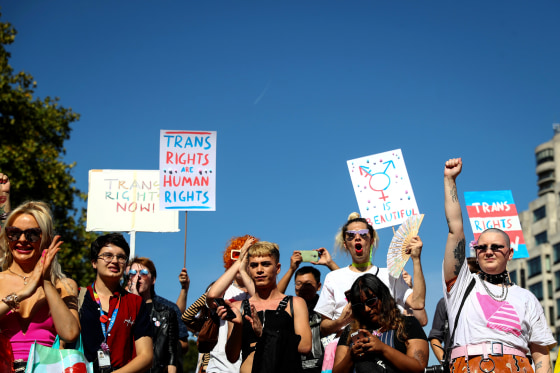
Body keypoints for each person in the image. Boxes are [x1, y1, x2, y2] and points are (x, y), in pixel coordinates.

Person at [443, 158, 556, 373]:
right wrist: (450, 181)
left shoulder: (526, 298)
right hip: (469, 367)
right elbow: (455, 229)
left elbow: (541, 354)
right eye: (482, 247)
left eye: (496, 247)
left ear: (510, 253)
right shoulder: (461, 284)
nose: (488, 251)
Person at [314, 213, 427, 372]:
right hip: (351, 351)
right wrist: (343, 320)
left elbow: (418, 302)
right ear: (346, 244)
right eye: (351, 236)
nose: (357, 238)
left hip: (394, 346)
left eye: (363, 234)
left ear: (371, 240)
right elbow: (323, 328)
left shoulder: (390, 273)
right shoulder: (333, 278)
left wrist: (416, 259)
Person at [0, 201, 80, 372]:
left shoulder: (64, 285)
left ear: (46, 240)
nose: (22, 240)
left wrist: (45, 282)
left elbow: (70, 333)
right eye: (14, 233)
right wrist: (23, 293)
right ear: (7, 238)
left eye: (32, 234)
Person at [221, 240, 312, 373]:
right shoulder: (238, 307)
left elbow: (305, 346)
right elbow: (232, 357)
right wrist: (238, 326)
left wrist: (265, 334)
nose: (259, 270)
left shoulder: (295, 303)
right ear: (248, 269)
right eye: (254, 265)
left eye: (265, 264)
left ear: (278, 268)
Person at [80, 233, 153, 373]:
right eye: (108, 255)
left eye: (121, 257)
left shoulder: (136, 303)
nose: (114, 261)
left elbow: (146, 356)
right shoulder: (78, 297)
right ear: (94, 262)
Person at [332, 274, 428, 373]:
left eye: (371, 301)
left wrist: (382, 348)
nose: (367, 309)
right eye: (360, 306)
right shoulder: (350, 331)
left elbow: (419, 367)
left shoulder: (408, 324)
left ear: (383, 297)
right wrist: (351, 356)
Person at [196, 235, 257, 373]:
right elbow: (212, 296)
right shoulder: (224, 290)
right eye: (237, 256)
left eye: (249, 259)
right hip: (220, 366)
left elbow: (260, 301)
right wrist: (239, 260)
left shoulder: (260, 291)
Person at [277, 249, 339, 373]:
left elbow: (349, 287)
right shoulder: (289, 307)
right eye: (299, 284)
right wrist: (291, 269)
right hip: (295, 366)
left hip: (326, 365)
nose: (303, 287)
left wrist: (330, 263)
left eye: (308, 284)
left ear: (319, 286)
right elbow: (274, 297)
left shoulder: (327, 305)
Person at [128, 257, 180, 373]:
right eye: (132, 273)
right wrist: (133, 301)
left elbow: (171, 353)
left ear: (153, 279)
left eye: (144, 273)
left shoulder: (166, 313)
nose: (138, 277)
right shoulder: (121, 308)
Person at [428, 258, 479, 363]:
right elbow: (435, 337)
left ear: (477, 275)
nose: (459, 280)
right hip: (455, 364)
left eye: (465, 275)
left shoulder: (488, 301)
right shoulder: (445, 303)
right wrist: (445, 361)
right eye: (456, 276)